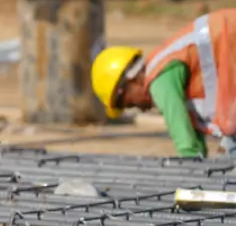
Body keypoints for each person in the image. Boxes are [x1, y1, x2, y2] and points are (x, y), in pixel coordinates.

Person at [91, 10, 236, 158]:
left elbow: (185, 141)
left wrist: (189, 168)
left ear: (130, 82)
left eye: (131, 104)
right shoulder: (168, 70)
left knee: (229, 156)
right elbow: (193, 137)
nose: (140, 109)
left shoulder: (159, 80)